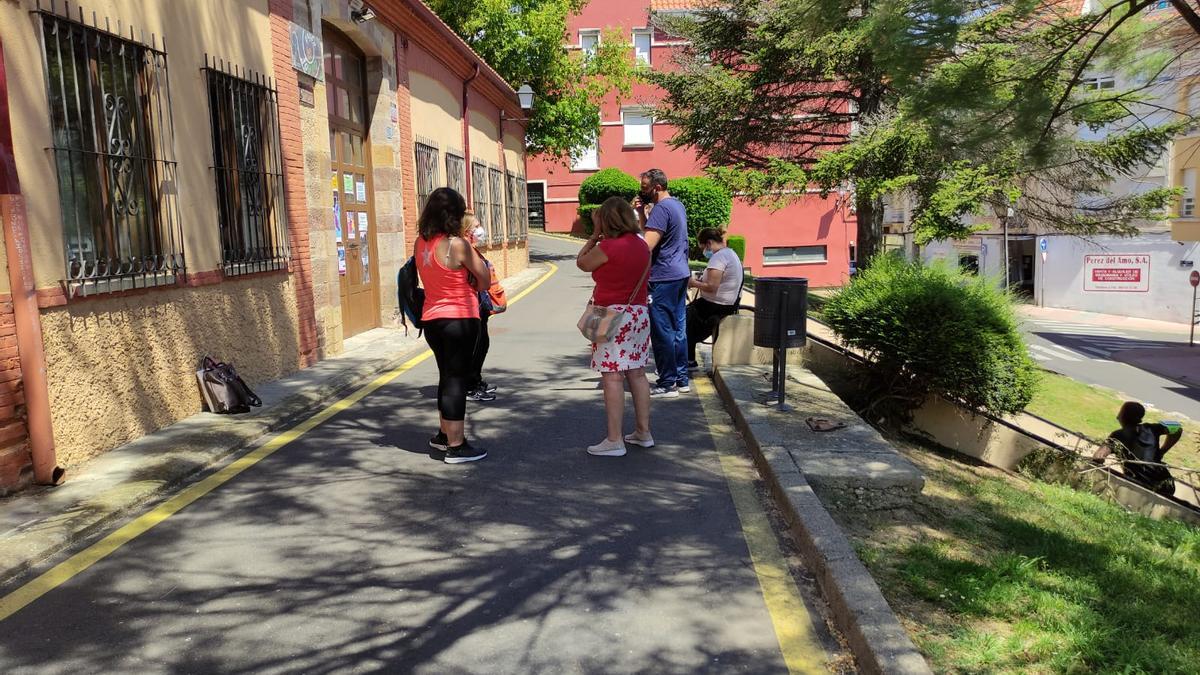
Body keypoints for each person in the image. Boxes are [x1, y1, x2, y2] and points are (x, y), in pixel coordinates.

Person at [417, 188, 491, 464]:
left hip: (432, 319)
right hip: (460, 317)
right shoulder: (457, 245)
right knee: (457, 380)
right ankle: (457, 446)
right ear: (455, 214)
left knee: (446, 376)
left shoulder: (421, 243)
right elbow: (483, 280)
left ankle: (443, 434)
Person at [576, 196, 654, 457]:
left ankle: (614, 440)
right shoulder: (642, 245)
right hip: (639, 313)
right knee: (638, 373)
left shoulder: (608, 247)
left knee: (612, 376)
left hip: (611, 314)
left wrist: (595, 234)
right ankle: (643, 432)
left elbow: (582, 262)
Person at [633, 168, 690, 399]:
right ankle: (681, 379)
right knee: (678, 329)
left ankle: (667, 383)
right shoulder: (677, 205)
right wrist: (642, 214)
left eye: (645, 187)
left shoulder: (661, 208)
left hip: (663, 276)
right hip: (679, 273)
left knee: (662, 331)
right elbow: (657, 233)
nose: (642, 191)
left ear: (656, 187)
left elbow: (646, 245)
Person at [1094, 401, 1181, 497]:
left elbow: (1098, 457)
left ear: (1124, 417)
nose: (1117, 417)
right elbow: (1177, 428)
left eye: (1120, 414)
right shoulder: (1151, 429)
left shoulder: (1117, 436)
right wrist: (1163, 451)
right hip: (1167, 485)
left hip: (1139, 488)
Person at [686, 228, 744, 369]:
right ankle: (689, 359)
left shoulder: (719, 257)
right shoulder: (730, 253)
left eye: (702, 248)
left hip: (716, 305)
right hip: (727, 304)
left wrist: (692, 282)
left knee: (682, 320)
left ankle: (687, 360)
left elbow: (711, 286)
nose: (703, 252)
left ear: (709, 243)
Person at [464, 215, 498, 403]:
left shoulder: (472, 250)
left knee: (482, 344)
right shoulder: (464, 250)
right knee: (476, 346)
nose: (480, 230)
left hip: (480, 305)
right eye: (476, 226)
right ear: (466, 230)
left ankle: (475, 380)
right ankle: (469, 386)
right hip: (472, 306)